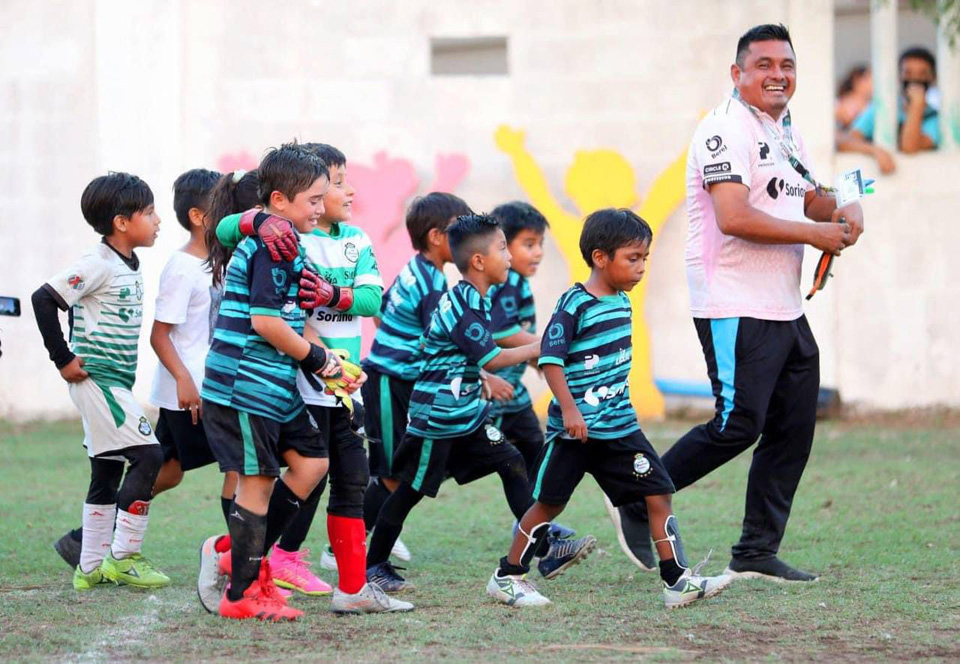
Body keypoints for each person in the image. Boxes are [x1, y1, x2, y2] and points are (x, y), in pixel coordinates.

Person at [611, 24, 864, 583]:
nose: (778, 74)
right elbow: (735, 217)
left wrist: (850, 203)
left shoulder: (782, 130)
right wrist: (812, 235)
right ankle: (635, 497)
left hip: (783, 305)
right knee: (736, 423)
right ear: (738, 74)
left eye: (787, 65)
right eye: (765, 64)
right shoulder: (723, 128)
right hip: (732, 300)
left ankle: (755, 552)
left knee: (794, 427)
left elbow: (809, 197)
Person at [486, 209, 731, 609]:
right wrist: (569, 411)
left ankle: (677, 582)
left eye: (644, 259)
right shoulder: (575, 303)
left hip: (619, 427)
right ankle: (507, 577)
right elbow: (550, 358)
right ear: (601, 258)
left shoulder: (621, 302)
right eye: (632, 258)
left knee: (659, 492)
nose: (640, 268)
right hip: (576, 430)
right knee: (548, 504)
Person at [217, 143, 411, 614]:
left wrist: (333, 295)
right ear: (290, 198)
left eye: (338, 185)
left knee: (348, 476)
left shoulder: (354, 239)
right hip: (289, 381)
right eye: (332, 184)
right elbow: (225, 231)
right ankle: (242, 563)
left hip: (335, 380)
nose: (340, 194)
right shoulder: (282, 238)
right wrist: (257, 220)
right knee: (288, 478)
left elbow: (372, 300)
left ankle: (350, 588)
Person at [365, 214, 595, 593]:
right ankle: (373, 565)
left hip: (467, 415)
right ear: (478, 261)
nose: (508, 257)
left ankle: (544, 548)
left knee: (512, 463)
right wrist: (544, 346)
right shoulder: (462, 303)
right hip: (437, 416)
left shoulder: (477, 298)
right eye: (502, 248)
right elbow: (491, 358)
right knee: (409, 489)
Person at [51, 168, 237, 571]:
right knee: (237, 466)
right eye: (225, 206)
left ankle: (86, 542)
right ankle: (243, 556)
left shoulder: (214, 262)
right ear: (199, 217)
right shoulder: (180, 267)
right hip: (188, 393)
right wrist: (186, 380)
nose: (235, 213)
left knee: (167, 470)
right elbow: (159, 334)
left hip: (205, 388)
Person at [196, 143, 339, 621]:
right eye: (315, 199)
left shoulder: (287, 241)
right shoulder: (272, 243)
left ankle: (239, 556)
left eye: (326, 196)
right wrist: (320, 360)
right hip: (244, 385)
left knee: (313, 464)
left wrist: (332, 363)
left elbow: (293, 317)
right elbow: (266, 323)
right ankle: (241, 594)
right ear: (278, 202)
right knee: (257, 482)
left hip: (271, 384)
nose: (323, 207)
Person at [32, 172, 169, 591]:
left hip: (116, 382)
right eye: (148, 212)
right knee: (149, 456)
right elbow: (44, 298)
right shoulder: (98, 263)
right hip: (100, 381)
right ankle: (124, 557)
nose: (158, 219)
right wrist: (63, 359)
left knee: (106, 470)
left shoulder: (128, 262)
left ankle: (89, 565)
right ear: (122, 222)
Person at [359, 192, 473, 561]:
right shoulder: (431, 283)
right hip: (390, 381)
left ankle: (370, 534)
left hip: (399, 378)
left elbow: (382, 310)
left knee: (400, 470)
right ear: (437, 237)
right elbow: (438, 338)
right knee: (393, 472)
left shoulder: (419, 270)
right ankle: (350, 540)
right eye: (461, 231)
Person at [487, 202, 575, 541]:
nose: (537, 253)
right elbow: (500, 332)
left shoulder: (518, 282)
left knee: (535, 454)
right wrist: (544, 348)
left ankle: (536, 525)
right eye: (528, 244)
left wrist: (538, 357)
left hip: (513, 394)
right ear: (501, 245)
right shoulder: (505, 281)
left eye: (540, 244)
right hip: (489, 393)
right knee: (453, 466)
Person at [837, 47, 940, 174]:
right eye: (908, 73)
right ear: (898, 76)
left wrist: (917, 106)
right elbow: (845, 141)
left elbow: (909, 147)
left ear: (933, 78)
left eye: (922, 74)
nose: (915, 79)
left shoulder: (935, 119)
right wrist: (876, 151)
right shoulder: (883, 109)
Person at [834, 65, 872, 130]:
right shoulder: (839, 103)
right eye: (868, 79)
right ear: (857, 80)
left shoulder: (871, 105)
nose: (872, 84)